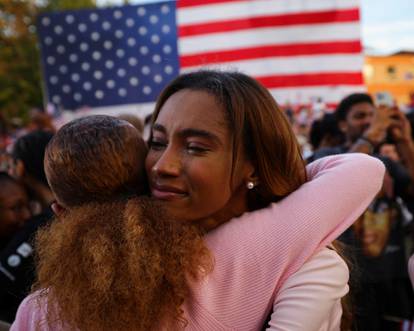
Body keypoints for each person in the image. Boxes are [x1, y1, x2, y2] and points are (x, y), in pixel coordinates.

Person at [12, 72, 383, 331]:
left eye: (195, 147)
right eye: (157, 142)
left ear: (252, 164)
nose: (163, 165)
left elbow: (361, 169)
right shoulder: (54, 303)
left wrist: (281, 190)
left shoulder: (307, 264)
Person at [313, 92, 414, 330]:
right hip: (350, 281)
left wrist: (404, 141)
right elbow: (342, 178)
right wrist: (372, 134)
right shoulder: (326, 157)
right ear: (341, 124)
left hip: (392, 275)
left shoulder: (385, 161)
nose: (369, 121)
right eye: (360, 116)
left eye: (372, 115)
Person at [9, 130, 54, 214]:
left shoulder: (36, 225)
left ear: (20, 167)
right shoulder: (76, 202)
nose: (9, 174)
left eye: (10, 166)